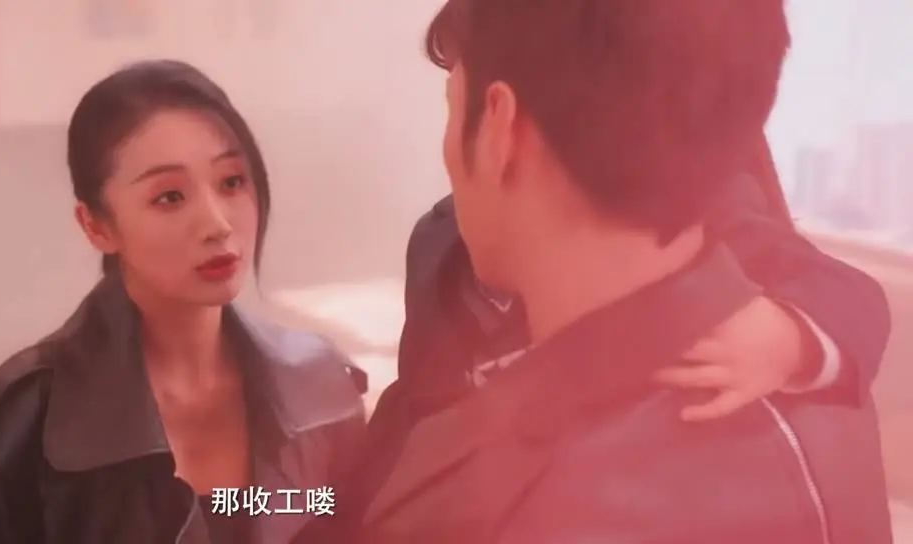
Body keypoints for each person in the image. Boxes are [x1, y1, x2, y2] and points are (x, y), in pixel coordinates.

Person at [299, 0, 894, 542]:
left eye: (454, 106)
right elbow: (407, 427)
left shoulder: (623, 475)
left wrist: (790, 343)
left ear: (501, 128)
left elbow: (851, 300)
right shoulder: (445, 244)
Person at [0, 60, 368, 544]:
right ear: (96, 226)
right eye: (170, 197)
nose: (217, 224)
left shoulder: (321, 391)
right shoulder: (18, 428)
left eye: (232, 182)